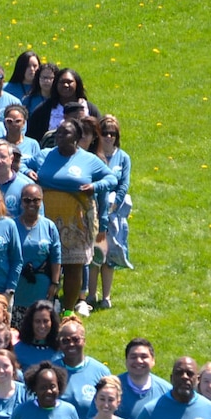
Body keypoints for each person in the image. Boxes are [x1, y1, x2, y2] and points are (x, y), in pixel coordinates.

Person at [26, 119, 115, 313]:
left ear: (76, 137)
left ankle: (67, 311)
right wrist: (27, 171)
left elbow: (112, 178)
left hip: (76, 221)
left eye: (65, 133)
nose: (59, 136)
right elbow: (21, 163)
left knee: (74, 267)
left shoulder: (88, 160)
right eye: (58, 132)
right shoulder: (44, 155)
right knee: (47, 265)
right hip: (46, 218)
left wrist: (95, 186)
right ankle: (47, 307)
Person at [90, 114, 132, 309]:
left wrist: (114, 205)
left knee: (110, 257)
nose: (108, 137)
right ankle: (91, 294)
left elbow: (124, 184)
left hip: (114, 213)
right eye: (105, 132)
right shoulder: (93, 156)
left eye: (112, 133)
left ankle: (106, 296)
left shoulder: (123, 158)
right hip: (94, 212)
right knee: (95, 254)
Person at [11, 184, 61, 319]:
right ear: (21, 202)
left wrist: (55, 283)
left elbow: (56, 257)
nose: (31, 204)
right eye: (27, 200)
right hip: (17, 286)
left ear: (42, 201)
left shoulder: (49, 226)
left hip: (42, 286)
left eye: (36, 200)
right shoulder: (11, 225)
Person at [56, 316, 110, 419]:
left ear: (84, 341)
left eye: (76, 339)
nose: (71, 344)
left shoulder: (101, 372)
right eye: (65, 341)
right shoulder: (52, 371)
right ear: (59, 343)